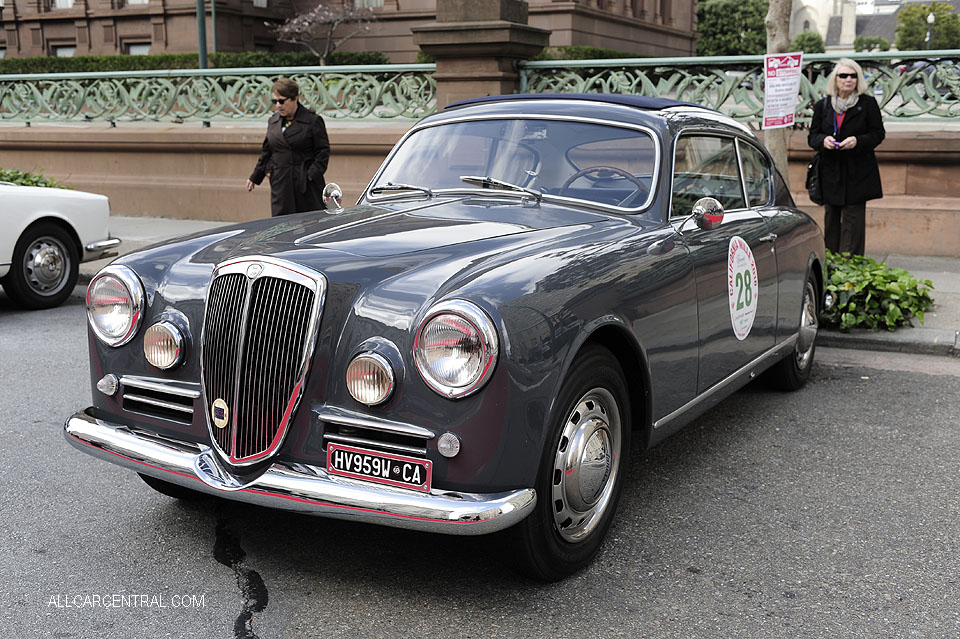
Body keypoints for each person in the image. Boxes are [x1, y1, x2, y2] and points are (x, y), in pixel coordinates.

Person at [807, 58, 885, 255]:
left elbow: (878, 134)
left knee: (854, 223)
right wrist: (823, 140)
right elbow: (812, 137)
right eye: (843, 75)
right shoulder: (823, 105)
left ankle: (852, 269)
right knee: (831, 220)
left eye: (853, 76)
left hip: (858, 172)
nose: (848, 79)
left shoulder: (868, 104)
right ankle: (831, 265)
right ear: (835, 79)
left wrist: (857, 141)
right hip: (830, 172)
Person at [247, 78, 331, 217]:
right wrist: (256, 176)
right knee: (282, 225)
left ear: (295, 98)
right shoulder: (273, 121)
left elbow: (323, 151)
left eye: (282, 101)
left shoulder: (312, 120)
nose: (278, 105)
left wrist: (310, 175)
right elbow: (267, 151)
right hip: (281, 184)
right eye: (275, 101)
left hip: (306, 187)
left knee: (310, 223)